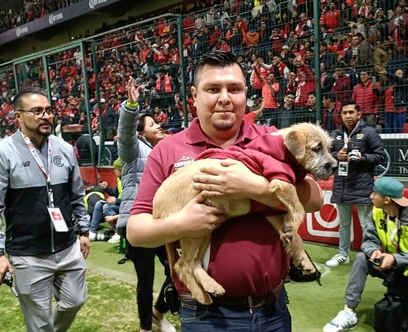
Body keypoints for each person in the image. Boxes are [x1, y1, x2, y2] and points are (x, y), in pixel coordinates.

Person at [126, 51, 323, 331]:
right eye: (212, 89)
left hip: (273, 310)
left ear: (246, 93)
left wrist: (252, 187)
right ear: (194, 95)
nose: (225, 98)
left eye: (234, 89)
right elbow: (136, 231)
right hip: (206, 315)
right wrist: (182, 223)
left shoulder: (269, 138)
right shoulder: (167, 150)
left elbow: (314, 198)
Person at [0, 87, 90, 331]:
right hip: (29, 254)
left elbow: (77, 195)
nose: (46, 116)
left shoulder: (64, 149)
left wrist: (84, 231)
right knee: (40, 322)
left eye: (48, 111)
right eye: (37, 111)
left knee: (75, 301)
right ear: (18, 116)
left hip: (67, 247)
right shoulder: (2, 153)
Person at [323, 177, 408, 332]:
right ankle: (348, 312)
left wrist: (394, 258)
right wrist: (374, 251)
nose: (371, 196)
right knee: (361, 258)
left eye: (375, 193)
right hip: (393, 264)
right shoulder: (378, 212)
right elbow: (368, 240)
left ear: (386, 199)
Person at [116, 77, 175, 332]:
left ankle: (158, 311)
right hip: (137, 221)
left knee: (177, 270)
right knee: (146, 280)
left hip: (160, 221)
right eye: (152, 123)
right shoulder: (131, 149)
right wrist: (131, 105)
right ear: (140, 132)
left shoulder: (162, 151)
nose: (158, 125)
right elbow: (125, 132)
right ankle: (145, 328)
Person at [326, 101, 385, 267]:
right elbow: (328, 154)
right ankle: (343, 255)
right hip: (341, 184)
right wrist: (337, 155)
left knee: (366, 225)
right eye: (344, 113)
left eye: (351, 112)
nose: (348, 116)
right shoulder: (336, 133)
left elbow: (381, 156)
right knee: (344, 225)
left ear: (359, 114)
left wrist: (362, 158)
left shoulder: (369, 132)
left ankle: (369, 255)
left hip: (362, 185)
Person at [89, 158, 122, 241]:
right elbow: (116, 193)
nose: (114, 171)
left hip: (126, 206)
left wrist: (116, 201)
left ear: (121, 170)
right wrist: (107, 188)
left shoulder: (129, 180)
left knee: (107, 207)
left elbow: (132, 200)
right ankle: (92, 232)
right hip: (121, 204)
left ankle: (119, 232)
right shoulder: (119, 179)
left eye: (116, 169)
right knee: (99, 204)